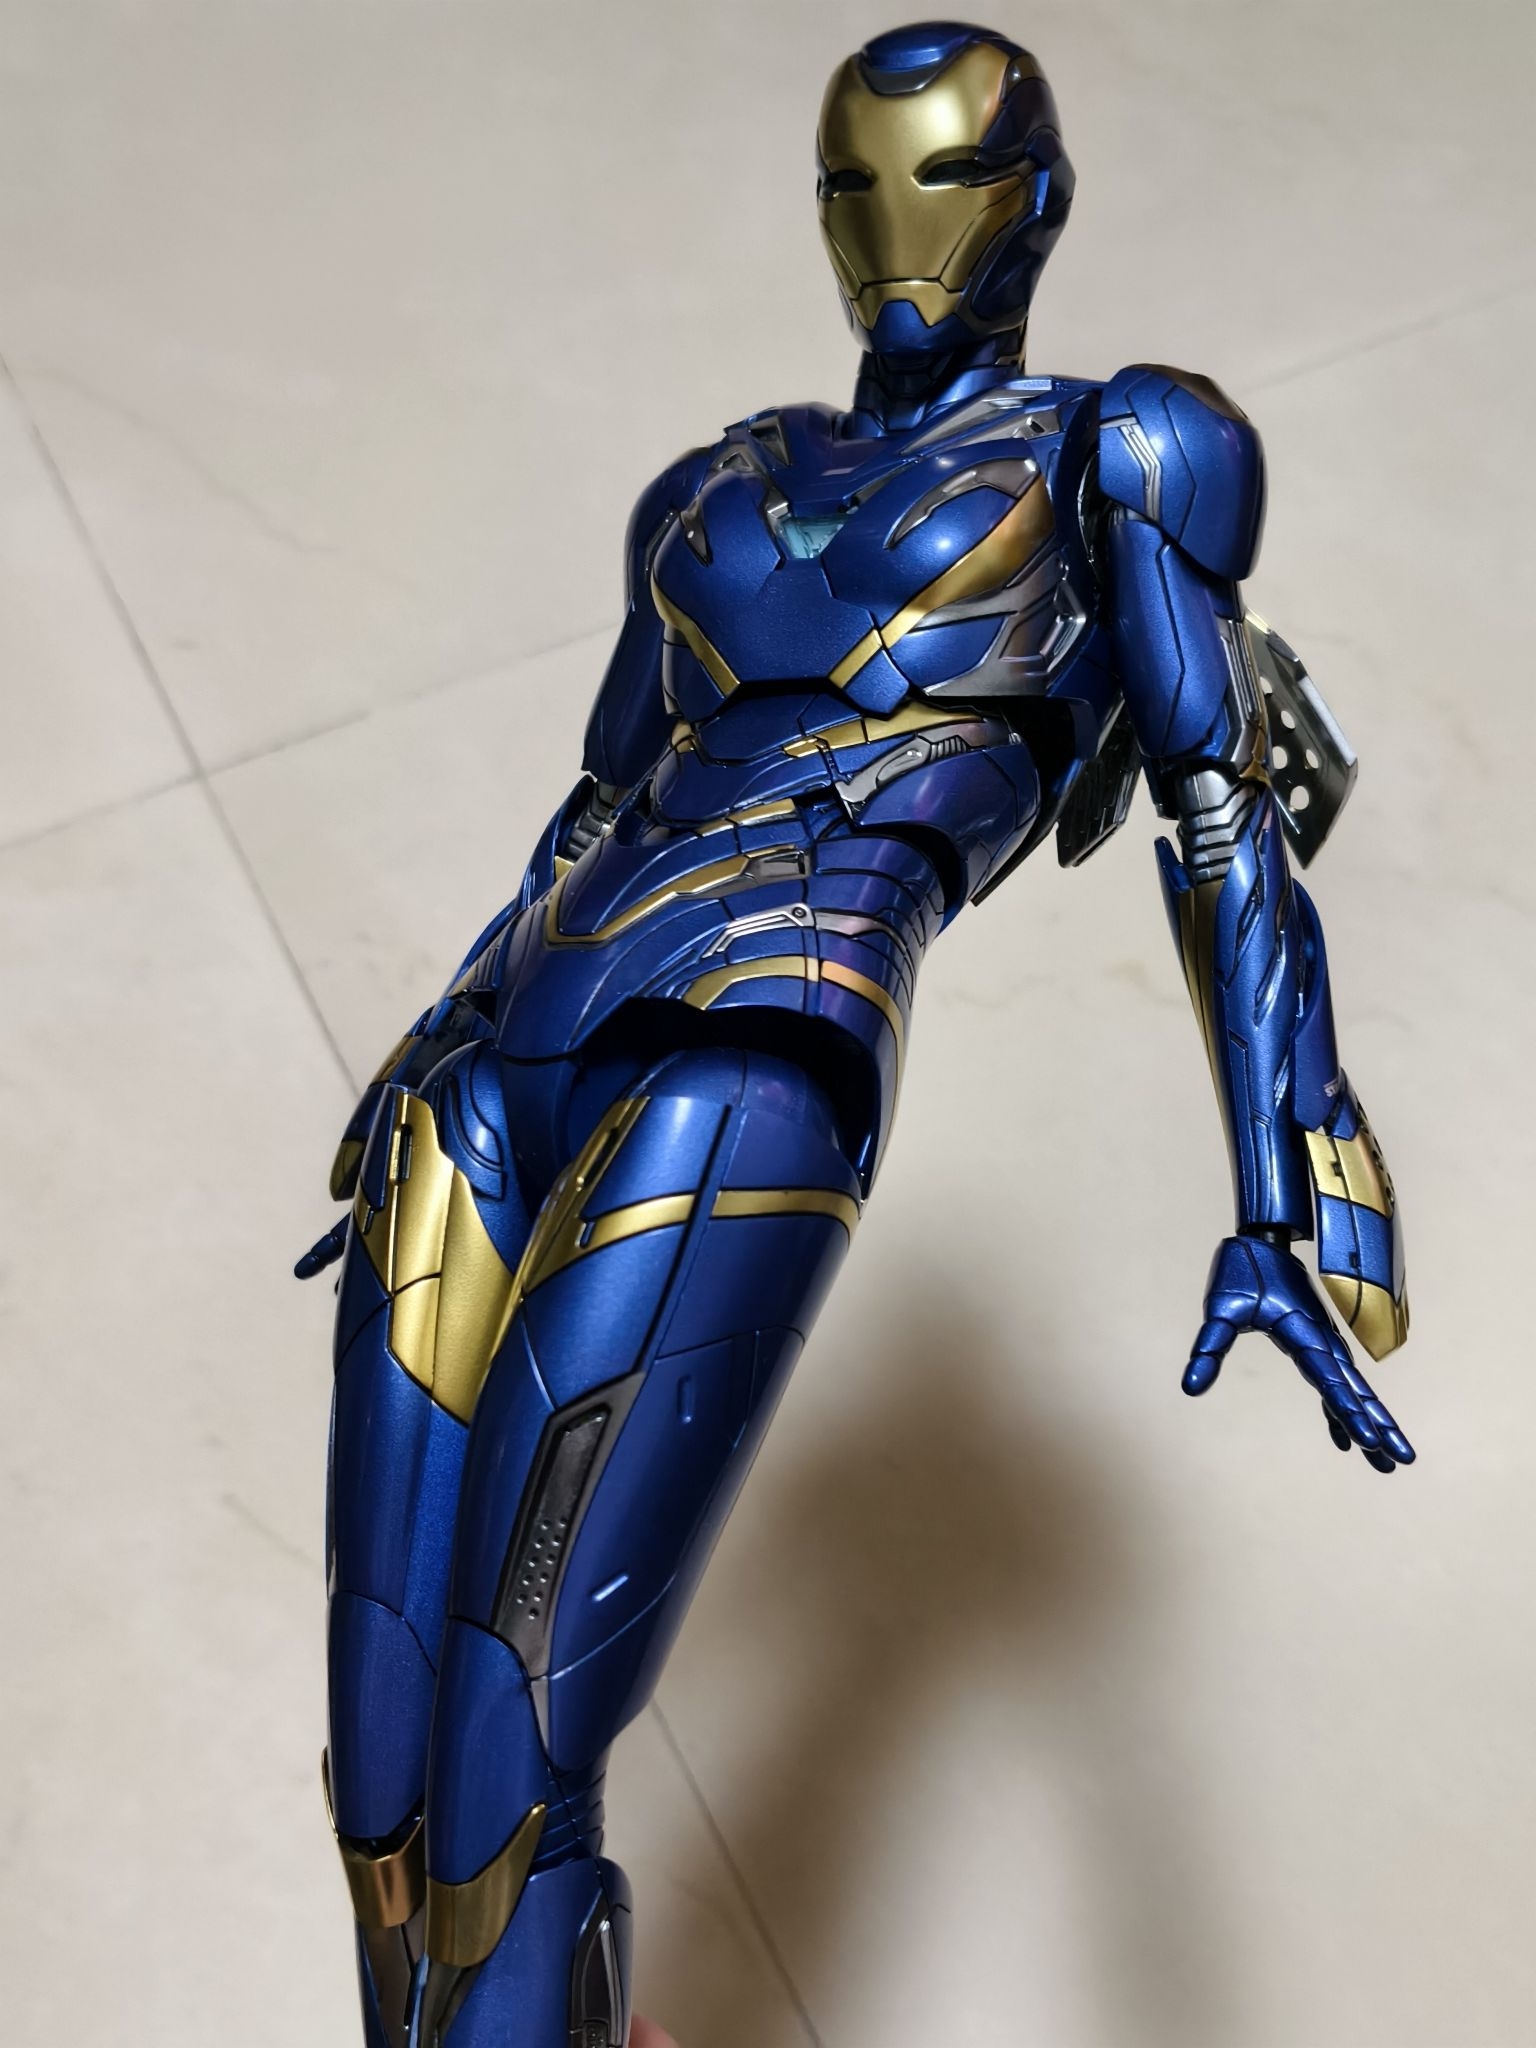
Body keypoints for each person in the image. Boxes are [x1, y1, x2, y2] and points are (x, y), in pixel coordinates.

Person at [298, 22, 1413, 2045]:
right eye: (855, 184)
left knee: (505, 1774)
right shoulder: (715, 486)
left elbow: (1222, 815)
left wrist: (1291, 1177)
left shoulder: (1120, 456)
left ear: (1036, 204)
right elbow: (600, 805)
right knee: (382, 1794)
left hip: (759, 1039)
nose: (898, 227)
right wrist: (436, 1029)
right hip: (487, 1084)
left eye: (947, 178)